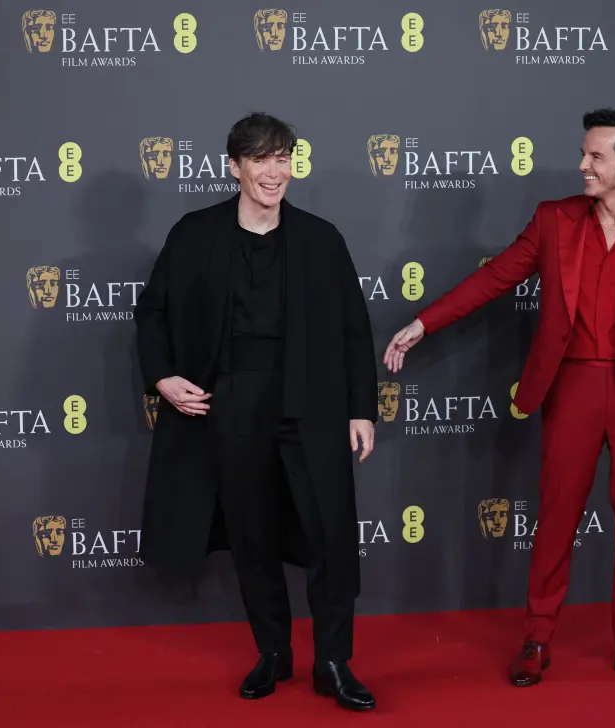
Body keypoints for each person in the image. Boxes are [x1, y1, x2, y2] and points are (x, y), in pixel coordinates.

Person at [384, 109, 615, 688]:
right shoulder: (554, 220)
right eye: (584, 153)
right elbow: (496, 277)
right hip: (572, 386)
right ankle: (537, 639)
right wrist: (424, 323)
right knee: (556, 518)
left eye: (595, 156)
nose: (582, 164)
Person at [134, 112, 379, 711]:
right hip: (231, 402)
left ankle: (332, 661)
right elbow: (154, 313)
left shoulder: (323, 240)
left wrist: (361, 409)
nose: (274, 172)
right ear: (234, 167)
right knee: (252, 535)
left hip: (312, 403)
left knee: (330, 533)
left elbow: (353, 330)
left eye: (283, 159)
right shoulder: (195, 233)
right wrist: (163, 377)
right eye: (261, 160)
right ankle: (273, 652)